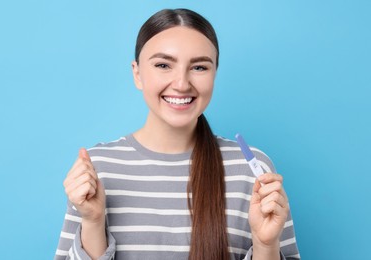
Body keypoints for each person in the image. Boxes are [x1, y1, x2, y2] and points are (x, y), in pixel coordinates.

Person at [55, 8, 300, 260]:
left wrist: (265, 245)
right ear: (137, 73)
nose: (182, 83)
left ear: (215, 73)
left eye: (199, 67)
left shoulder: (252, 169)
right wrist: (93, 222)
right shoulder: (97, 169)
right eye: (163, 65)